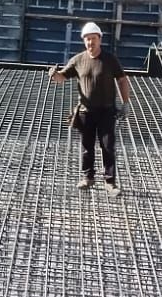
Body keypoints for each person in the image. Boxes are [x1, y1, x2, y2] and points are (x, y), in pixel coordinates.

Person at [49, 22, 131, 192]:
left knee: (107, 146)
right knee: (87, 146)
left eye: (93, 39)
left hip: (106, 111)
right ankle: (88, 177)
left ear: (99, 39)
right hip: (86, 112)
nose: (90, 43)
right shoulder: (78, 60)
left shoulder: (109, 60)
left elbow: (122, 80)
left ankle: (110, 182)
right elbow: (62, 78)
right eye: (87, 39)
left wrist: (126, 103)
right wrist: (54, 74)